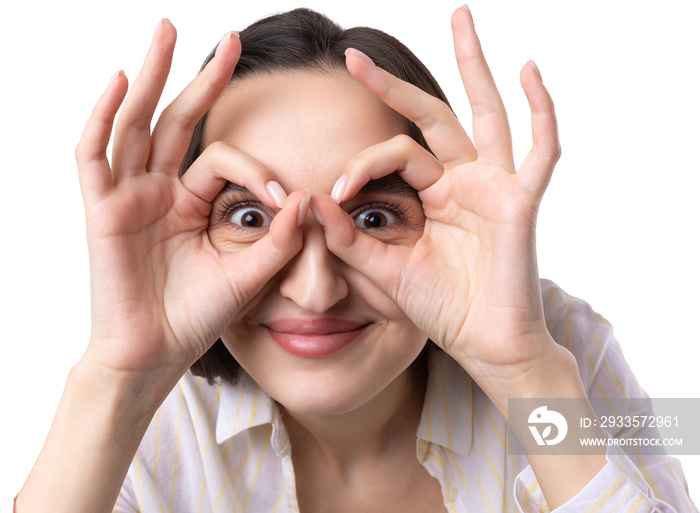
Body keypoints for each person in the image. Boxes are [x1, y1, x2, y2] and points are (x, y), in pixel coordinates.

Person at [6, 6, 697, 513]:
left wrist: (524, 369)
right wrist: (116, 379)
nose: (314, 290)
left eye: (371, 217)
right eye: (251, 218)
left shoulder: (559, 346)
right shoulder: (153, 415)